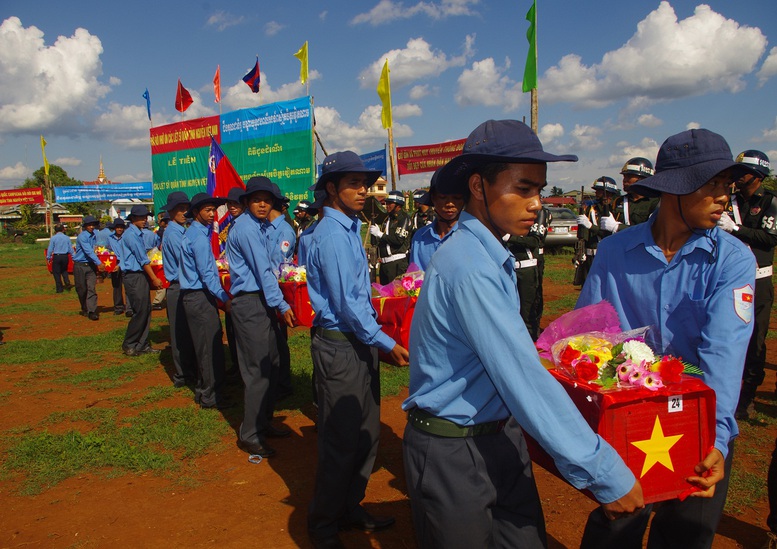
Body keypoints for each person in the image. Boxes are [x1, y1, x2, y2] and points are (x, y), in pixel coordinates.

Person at [402, 120, 643, 548]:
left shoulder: (488, 254)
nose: (537, 204)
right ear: (479, 185)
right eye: (524, 188)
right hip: (454, 452)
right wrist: (603, 471)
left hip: (497, 438)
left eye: (540, 191)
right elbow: (522, 377)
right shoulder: (470, 266)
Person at [576, 128, 758, 548]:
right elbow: (591, 337)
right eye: (712, 186)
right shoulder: (614, 252)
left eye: (727, 187)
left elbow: (723, 354)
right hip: (627, 420)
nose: (724, 199)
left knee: (685, 534)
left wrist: (713, 439)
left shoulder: (731, 260)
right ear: (675, 190)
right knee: (615, 528)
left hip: (697, 425)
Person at [304, 151, 410, 548]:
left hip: (357, 342)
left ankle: (350, 507)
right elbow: (347, 304)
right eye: (354, 184)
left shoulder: (348, 228)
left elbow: (355, 296)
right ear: (331, 189)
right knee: (342, 438)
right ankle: (323, 525)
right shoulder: (331, 234)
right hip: (342, 345)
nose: (364, 190)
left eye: (365, 183)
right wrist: (386, 342)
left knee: (365, 432)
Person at [226, 177, 296, 458]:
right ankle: (250, 433)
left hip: (262, 302)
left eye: (268, 199)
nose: (263, 204)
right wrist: (282, 304)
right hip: (251, 302)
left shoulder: (260, 227)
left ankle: (264, 421)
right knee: (257, 369)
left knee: (273, 363)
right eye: (257, 199)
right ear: (246, 203)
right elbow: (263, 270)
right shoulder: (246, 229)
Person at [716, 150, 776, 420]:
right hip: (730, 277)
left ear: (758, 175)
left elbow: (769, 238)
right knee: (726, 334)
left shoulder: (771, 203)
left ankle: (748, 398)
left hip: (759, 279)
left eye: (743, 172)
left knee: (755, 342)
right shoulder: (731, 201)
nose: (737, 177)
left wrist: (736, 230)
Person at [180, 193, 232, 409]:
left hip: (194, 296)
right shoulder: (199, 238)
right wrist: (224, 299)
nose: (212, 215)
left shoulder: (193, 233)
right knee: (209, 346)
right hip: (199, 296)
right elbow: (207, 274)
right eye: (207, 211)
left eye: (213, 210)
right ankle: (211, 396)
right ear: (195, 213)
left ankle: (204, 390)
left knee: (203, 345)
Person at [259, 186, 297, 401]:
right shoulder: (269, 228)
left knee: (278, 339)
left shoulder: (284, 231)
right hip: (269, 288)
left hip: (276, 289)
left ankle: (283, 383)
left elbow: (279, 264)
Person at [160, 192, 197, 388]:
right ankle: (183, 374)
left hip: (182, 285)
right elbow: (185, 261)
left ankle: (188, 370)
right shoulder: (174, 234)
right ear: (171, 211)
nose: (184, 212)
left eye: (186, 208)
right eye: (180, 209)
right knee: (180, 333)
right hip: (178, 286)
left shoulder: (180, 231)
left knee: (185, 331)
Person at [121, 205, 164, 356]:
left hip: (139, 275)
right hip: (134, 275)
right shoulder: (131, 235)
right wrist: (154, 278)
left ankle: (142, 343)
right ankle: (129, 343)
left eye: (146, 217)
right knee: (140, 311)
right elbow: (142, 259)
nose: (145, 220)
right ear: (133, 219)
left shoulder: (137, 234)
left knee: (145, 310)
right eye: (141, 218)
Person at [506, 204, 551, 341]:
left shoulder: (538, 212)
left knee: (528, 311)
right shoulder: (506, 210)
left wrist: (509, 237)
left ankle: (530, 342)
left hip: (526, 268)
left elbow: (535, 241)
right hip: (508, 267)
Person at [408, 169, 464, 271]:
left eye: (457, 197)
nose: (450, 203)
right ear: (433, 198)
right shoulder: (420, 238)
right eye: (443, 197)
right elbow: (415, 279)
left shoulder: (472, 236)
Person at [574, 176, 620, 285]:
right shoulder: (591, 209)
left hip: (608, 255)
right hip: (590, 255)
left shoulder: (615, 210)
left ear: (608, 193)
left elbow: (608, 233)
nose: (596, 194)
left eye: (599, 191)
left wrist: (591, 226)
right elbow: (584, 234)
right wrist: (579, 251)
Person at [222, 185, 245, 380]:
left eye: (236, 203)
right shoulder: (233, 226)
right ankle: (237, 365)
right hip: (233, 283)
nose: (232, 207)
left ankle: (241, 369)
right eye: (229, 203)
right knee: (232, 327)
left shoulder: (246, 226)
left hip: (246, 289)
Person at [601, 157, 659, 233]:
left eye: (629, 176)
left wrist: (618, 227)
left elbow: (652, 231)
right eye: (624, 176)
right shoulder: (619, 201)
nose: (624, 180)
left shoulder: (657, 202)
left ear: (642, 178)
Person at [370, 190, 411, 284]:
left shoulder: (404, 218)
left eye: (390, 203)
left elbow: (398, 239)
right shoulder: (387, 218)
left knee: (398, 295)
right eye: (386, 203)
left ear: (398, 204)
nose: (386, 205)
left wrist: (379, 234)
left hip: (397, 263)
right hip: (385, 264)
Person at [72, 215, 105, 320]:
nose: (91, 227)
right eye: (89, 225)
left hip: (90, 265)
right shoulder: (82, 237)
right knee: (81, 289)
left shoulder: (95, 235)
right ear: (85, 226)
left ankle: (92, 311)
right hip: (79, 265)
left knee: (91, 288)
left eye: (93, 225)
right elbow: (88, 251)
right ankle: (84, 307)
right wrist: (99, 263)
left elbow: (97, 246)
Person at [106, 218, 130, 315]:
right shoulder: (110, 238)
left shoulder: (126, 238)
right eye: (118, 227)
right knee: (116, 286)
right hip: (114, 263)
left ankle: (129, 308)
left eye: (121, 227)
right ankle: (118, 307)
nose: (119, 229)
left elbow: (127, 253)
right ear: (114, 228)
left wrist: (120, 265)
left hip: (125, 263)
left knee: (128, 286)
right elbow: (107, 250)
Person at [151, 213, 170, 310]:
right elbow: (157, 245)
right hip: (161, 258)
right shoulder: (159, 232)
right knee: (162, 278)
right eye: (165, 222)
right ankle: (157, 301)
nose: (166, 223)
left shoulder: (165, 231)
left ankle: (161, 300)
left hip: (165, 259)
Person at [46, 224, 73, 293]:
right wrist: (74, 257)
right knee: (64, 270)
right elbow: (70, 249)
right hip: (65, 256)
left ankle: (59, 288)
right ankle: (67, 282)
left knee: (56, 272)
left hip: (57, 256)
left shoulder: (53, 238)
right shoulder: (67, 238)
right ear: (63, 229)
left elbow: (50, 248)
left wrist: (48, 257)